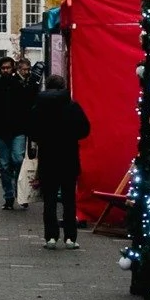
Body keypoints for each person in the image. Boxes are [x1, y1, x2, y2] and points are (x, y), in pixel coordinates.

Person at [29, 74, 90, 249]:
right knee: (69, 198)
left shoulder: (39, 107)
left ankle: (51, 237)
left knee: (49, 199)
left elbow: (32, 131)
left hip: (48, 157)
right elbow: (85, 129)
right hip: (68, 156)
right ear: (63, 86)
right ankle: (70, 237)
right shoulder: (72, 106)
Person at [0, 55, 35, 210]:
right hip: (0, 131)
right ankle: (9, 196)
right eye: (3, 68)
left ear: (13, 69)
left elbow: (27, 106)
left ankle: (21, 193)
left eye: (8, 67)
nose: (6, 70)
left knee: (17, 159)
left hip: (17, 130)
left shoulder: (19, 86)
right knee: (4, 165)